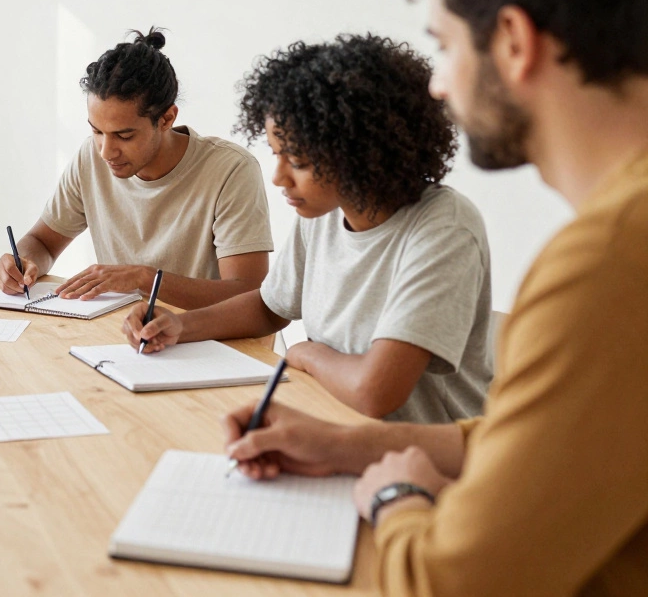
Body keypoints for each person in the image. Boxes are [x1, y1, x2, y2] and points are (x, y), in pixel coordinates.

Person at [219, 0, 648, 594]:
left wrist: (395, 495)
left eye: (444, 46)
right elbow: (528, 446)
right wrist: (347, 446)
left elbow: (451, 584)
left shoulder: (608, 262)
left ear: (513, 41)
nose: (440, 87)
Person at [126, 34, 492, 423]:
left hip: (427, 451)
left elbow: (375, 392)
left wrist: (306, 354)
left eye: (298, 162)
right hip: (338, 430)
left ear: (359, 153)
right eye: (277, 155)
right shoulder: (325, 214)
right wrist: (179, 325)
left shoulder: (444, 230)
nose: (279, 178)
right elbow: (269, 307)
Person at [0, 28, 272, 310]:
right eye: (97, 131)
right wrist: (22, 263)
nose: (106, 151)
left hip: (203, 334)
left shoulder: (231, 170)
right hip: (121, 331)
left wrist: (145, 279)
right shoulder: (90, 158)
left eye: (124, 136)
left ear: (166, 119)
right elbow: (42, 242)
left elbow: (248, 294)